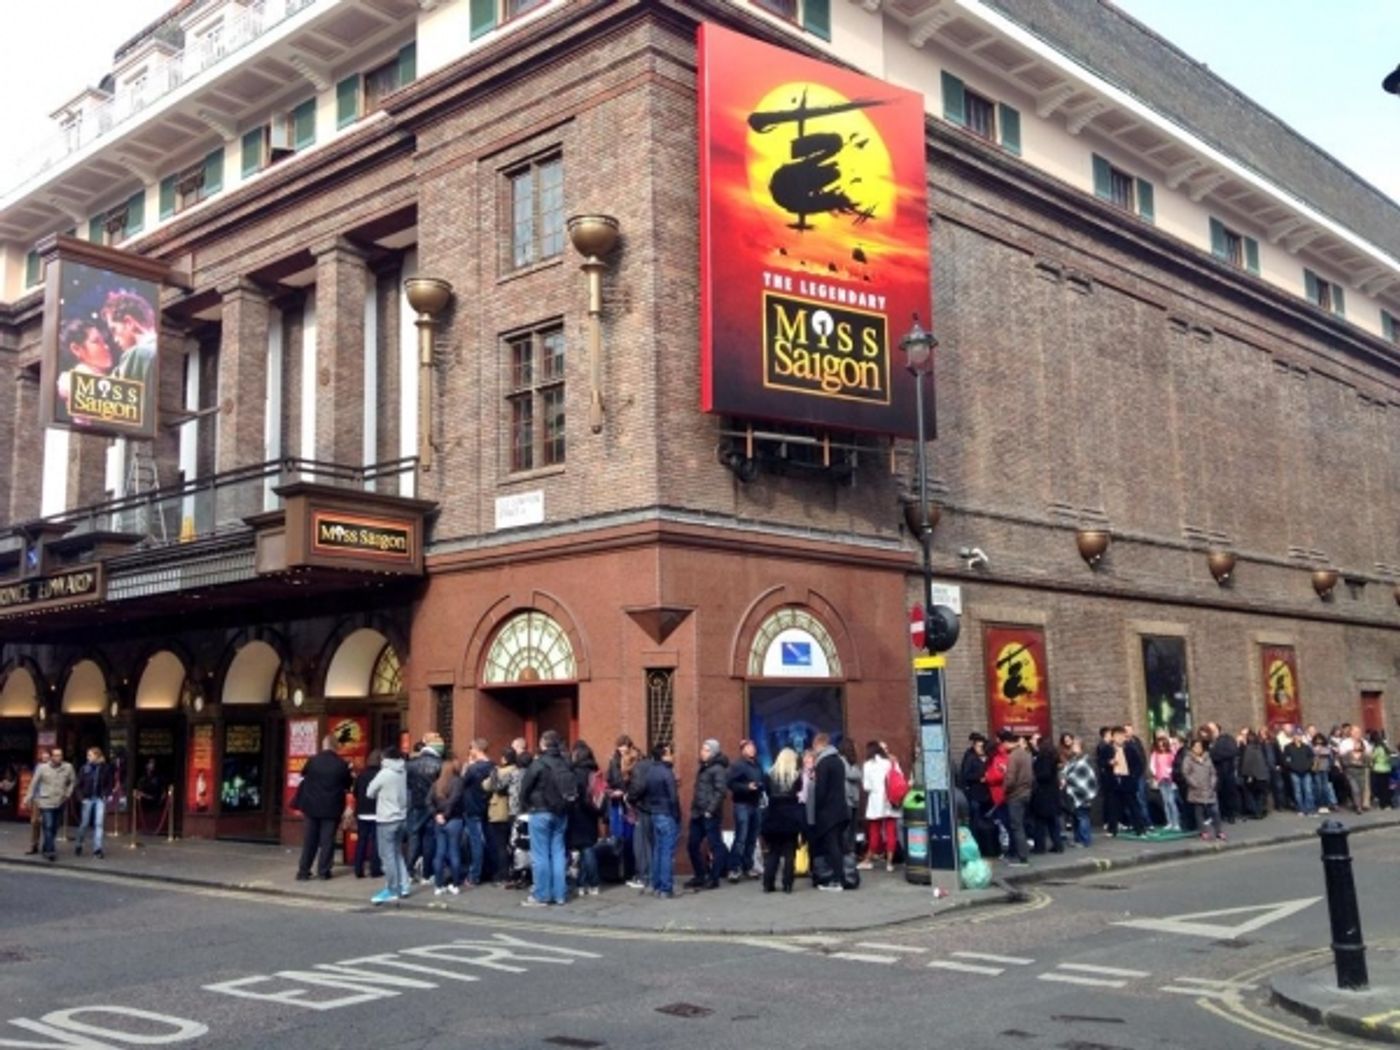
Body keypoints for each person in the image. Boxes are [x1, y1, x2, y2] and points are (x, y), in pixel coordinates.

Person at [518, 729, 573, 907]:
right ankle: (560, 894)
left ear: (543, 744)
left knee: (540, 855)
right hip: (561, 812)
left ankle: (542, 894)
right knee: (558, 853)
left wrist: (526, 805)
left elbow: (524, 788)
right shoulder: (565, 762)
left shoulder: (539, 764)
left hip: (540, 811)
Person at [294, 735, 352, 881]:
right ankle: (324, 871)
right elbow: (347, 784)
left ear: (324, 745)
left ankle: (303, 871)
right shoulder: (341, 764)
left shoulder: (313, 760)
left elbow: (303, 774)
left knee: (310, 840)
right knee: (327, 840)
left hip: (312, 806)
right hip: (332, 808)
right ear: (336, 746)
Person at [366, 745, 409, 904]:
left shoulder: (384, 773)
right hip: (401, 817)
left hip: (386, 818)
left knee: (387, 856)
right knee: (397, 853)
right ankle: (404, 885)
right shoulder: (402, 771)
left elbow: (369, 792)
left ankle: (392, 889)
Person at [685, 738, 729, 890]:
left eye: (706, 749)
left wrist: (710, 810)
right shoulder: (704, 767)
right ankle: (700, 875)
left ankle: (714, 877)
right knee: (692, 845)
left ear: (713, 752)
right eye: (702, 749)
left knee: (715, 845)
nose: (702, 752)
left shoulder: (717, 769)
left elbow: (721, 791)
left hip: (710, 814)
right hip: (698, 813)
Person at [808, 732, 850, 890]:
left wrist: (816, 810)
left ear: (819, 744)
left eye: (814, 746)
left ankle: (837, 879)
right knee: (838, 845)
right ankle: (842, 877)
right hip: (841, 810)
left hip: (828, 813)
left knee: (832, 846)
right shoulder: (838, 761)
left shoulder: (823, 763)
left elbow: (821, 791)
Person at [762, 747, 804, 893]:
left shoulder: (769, 776)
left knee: (773, 851)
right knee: (789, 852)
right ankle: (787, 883)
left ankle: (768, 883)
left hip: (773, 816)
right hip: (791, 817)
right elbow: (799, 792)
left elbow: (767, 793)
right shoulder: (797, 776)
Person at [641, 743, 680, 898]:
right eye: (670, 753)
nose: (672, 756)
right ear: (664, 755)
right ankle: (666, 887)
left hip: (654, 813)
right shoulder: (667, 772)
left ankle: (656, 884)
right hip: (666, 813)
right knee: (667, 851)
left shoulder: (650, 771)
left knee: (658, 849)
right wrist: (676, 815)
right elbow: (673, 797)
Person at [55, 318, 115, 416]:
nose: (106, 347)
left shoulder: (113, 379)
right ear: (76, 349)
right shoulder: (69, 381)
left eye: (104, 341)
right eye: (96, 341)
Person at [406, 735, 444, 883]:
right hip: (434, 806)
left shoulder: (411, 764)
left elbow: (408, 786)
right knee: (430, 839)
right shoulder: (440, 764)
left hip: (416, 805)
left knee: (414, 838)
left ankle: (409, 871)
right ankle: (427, 873)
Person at [568, 740, 603, 896]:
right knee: (588, 848)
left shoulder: (574, 773)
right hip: (592, 814)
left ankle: (584, 884)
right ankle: (592, 884)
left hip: (577, 813)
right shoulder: (595, 773)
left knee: (583, 850)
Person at [27, 747, 75, 861]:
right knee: (48, 825)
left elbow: (72, 781)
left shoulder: (68, 767)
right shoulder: (42, 768)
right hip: (45, 801)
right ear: (52, 757)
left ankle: (46, 846)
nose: (59, 757)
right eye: (56, 755)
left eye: (60, 755)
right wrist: (28, 797)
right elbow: (34, 783)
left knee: (54, 826)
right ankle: (50, 851)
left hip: (60, 801)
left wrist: (68, 793)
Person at [102, 288, 157, 387]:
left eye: (114, 330)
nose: (114, 339)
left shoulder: (137, 354)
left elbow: (101, 398)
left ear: (129, 323)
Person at [726, 739, 764, 882]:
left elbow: (762, 780)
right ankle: (734, 868)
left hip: (755, 804)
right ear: (742, 750)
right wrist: (746, 787)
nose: (752, 749)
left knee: (752, 838)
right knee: (741, 837)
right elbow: (730, 783)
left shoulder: (757, 764)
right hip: (742, 804)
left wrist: (760, 786)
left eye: (753, 746)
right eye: (749, 747)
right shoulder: (737, 765)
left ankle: (748, 866)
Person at [860, 741, 898, 872]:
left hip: (876, 801)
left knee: (874, 831)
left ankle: (868, 859)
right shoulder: (890, 763)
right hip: (891, 800)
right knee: (890, 831)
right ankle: (889, 863)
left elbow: (866, 786)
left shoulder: (867, 765)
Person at [460, 740, 494, 886]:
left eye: (471, 748)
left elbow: (462, 783)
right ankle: (488, 870)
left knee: (475, 842)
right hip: (487, 806)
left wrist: (466, 767)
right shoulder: (493, 766)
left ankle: (474, 875)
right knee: (487, 839)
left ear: (476, 749)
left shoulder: (473, 769)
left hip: (472, 807)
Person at [429, 755, 464, 895]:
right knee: (454, 852)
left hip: (439, 821)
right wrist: (446, 815)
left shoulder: (437, 783)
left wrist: (436, 814)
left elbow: (428, 801)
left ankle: (438, 885)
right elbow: (454, 800)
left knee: (440, 852)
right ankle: (455, 884)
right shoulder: (458, 782)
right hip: (454, 820)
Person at [486, 745, 520, 886]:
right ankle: (514, 872)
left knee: (500, 845)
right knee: (513, 844)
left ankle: (502, 874)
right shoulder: (518, 771)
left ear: (505, 759)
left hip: (499, 812)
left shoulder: (499, 772)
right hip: (514, 812)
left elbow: (486, 786)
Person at [624, 744, 655, 892]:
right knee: (652, 844)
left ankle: (644, 877)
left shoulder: (639, 768)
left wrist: (628, 797)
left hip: (643, 809)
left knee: (641, 844)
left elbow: (638, 788)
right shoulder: (652, 764)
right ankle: (652, 876)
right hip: (656, 809)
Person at [74, 747, 113, 858]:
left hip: (100, 798)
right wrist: (81, 798)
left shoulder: (105, 768)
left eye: (90, 755)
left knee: (99, 824)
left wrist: (106, 794)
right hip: (87, 798)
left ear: (97, 756)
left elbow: (109, 783)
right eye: (88, 755)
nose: (88, 757)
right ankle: (79, 844)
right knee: (84, 824)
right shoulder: (84, 768)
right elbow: (78, 785)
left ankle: (97, 849)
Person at [1182, 735, 1223, 841]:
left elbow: (1213, 772)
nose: (1198, 749)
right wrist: (1194, 784)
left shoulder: (1207, 758)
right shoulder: (1188, 759)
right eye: (1196, 747)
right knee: (1199, 812)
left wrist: (1213, 782)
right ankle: (1203, 831)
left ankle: (1219, 831)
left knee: (1215, 811)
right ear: (1192, 748)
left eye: (1200, 747)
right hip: (1197, 789)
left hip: (1209, 788)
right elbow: (1186, 774)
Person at [1060, 734, 1098, 847]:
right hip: (1074, 794)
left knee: (1082, 817)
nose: (1073, 747)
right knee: (1076, 817)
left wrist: (1066, 778)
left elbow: (1082, 776)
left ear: (1081, 746)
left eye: (1075, 745)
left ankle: (1085, 840)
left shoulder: (1084, 760)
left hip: (1082, 794)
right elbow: (1066, 772)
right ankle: (1078, 839)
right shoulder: (1074, 759)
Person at [352, 750, 384, 879]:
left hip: (362, 812)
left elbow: (355, 793)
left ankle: (358, 869)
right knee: (376, 842)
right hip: (377, 812)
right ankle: (375, 869)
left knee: (362, 841)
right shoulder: (381, 775)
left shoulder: (362, 775)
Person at [1030, 736, 1063, 853]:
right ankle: (1058, 845)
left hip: (1043, 793)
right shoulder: (1054, 757)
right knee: (1052, 821)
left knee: (1039, 822)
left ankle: (1039, 847)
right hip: (1053, 792)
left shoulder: (1043, 758)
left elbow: (1044, 774)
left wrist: (1035, 776)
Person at [1208, 722, 1240, 824]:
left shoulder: (1227, 739)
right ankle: (1222, 814)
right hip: (1216, 773)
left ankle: (1231, 814)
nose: (1211, 732)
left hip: (1227, 771)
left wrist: (1216, 755)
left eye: (1213, 730)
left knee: (1229, 793)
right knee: (1219, 794)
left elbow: (1232, 752)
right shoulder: (1209, 742)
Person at [1150, 736, 1180, 831]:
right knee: (1166, 802)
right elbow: (1152, 765)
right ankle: (1169, 822)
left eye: (1163, 745)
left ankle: (1176, 822)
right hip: (1161, 779)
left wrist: (1171, 771)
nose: (1162, 747)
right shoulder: (1155, 754)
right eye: (1160, 745)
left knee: (1171, 801)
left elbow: (1175, 764)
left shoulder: (1171, 753)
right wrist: (1156, 774)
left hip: (1171, 780)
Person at [1283, 729, 1316, 815]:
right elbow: (1286, 760)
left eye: (1299, 735)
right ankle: (1300, 809)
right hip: (1294, 772)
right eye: (1296, 735)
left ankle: (1309, 809)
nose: (1298, 737)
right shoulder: (1288, 747)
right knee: (1297, 791)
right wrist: (1292, 767)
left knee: (1308, 790)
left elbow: (1311, 758)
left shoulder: (1306, 747)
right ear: (1293, 737)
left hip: (1306, 771)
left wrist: (1308, 766)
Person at [1239, 730, 1271, 819]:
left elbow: (1247, 764)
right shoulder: (1260, 747)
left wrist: (1247, 775)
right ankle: (1259, 811)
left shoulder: (1248, 749)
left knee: (1250, 794)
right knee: (1260, 795)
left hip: (1253, 776)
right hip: (1262, 775)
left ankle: (1256, 811)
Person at [1339, 726, 1369, 815]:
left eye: (1359, 732)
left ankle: (1361, 804)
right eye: (1355, 732)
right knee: (1355, 789)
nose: (1358, 734)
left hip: (1361, 773)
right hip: (1351, 773)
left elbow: (1368, 762)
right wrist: (1353, 763)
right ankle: (1358, 807)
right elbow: (1344, 760)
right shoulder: (1346, 746)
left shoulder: (1364, 750)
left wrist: (1361, 764)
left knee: (1361, 789)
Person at [1311, 732, 1338, 814]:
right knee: (1318, 787)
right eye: (1317, 740)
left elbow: (1329, 756)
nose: (1319, 742)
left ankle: (1326, 804)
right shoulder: (1312, 748)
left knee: (1325, 788)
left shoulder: (1327, 748)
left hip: (1325, 769)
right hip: (1316, 769)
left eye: (1321, 740)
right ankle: (1319, 804)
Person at [1369, 731, 1393, 810]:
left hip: (1379, 769)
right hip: (1387, 769)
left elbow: (1372, 758)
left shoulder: (1377, 749)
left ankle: (1383, 804)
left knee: (1381, 788)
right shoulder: (1385, 747)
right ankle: (1388, 803)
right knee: (1387, 787)